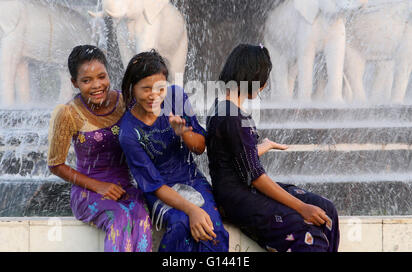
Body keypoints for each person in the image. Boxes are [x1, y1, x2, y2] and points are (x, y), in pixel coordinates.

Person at [205, 44, 340, 252]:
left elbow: (234, 158)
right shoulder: (231, 116)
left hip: (244, 187)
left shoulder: (223, 107)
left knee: (326, 210)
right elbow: (255, 176)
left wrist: (263, 146)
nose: (264, 86)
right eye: (263, 79)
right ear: (254, 80)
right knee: (308, 233)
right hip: (238, 197)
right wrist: (301, 207)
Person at [118, 49, 229, 252]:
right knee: (181, 224)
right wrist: (192, 209)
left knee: (212, 228)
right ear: (132, 88)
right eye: (146, 89)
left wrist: (184, 133)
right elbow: (154, 185)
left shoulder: (176, 97)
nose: (154, 96)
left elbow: (200, 147)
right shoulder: (128, 132)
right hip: (160, 191)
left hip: (192, 179)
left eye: (159, 89)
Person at [47, 45, 152, 252]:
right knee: (119, 217)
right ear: (74, 83)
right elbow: (55, 165)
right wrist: (99, 186)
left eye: (101, 77)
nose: (97, 85)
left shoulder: (125, 101)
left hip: (124, 188)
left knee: (140, 215)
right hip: (88, 192)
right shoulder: (68, 113)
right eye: (86, 81)